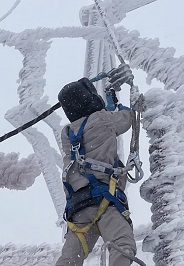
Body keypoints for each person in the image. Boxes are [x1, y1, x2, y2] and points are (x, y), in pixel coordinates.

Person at [55, 64, 138, 266]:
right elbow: (126, 119)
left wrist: (107, 110)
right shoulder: (102, 119)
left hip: (79, 207)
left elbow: (97, 126)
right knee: (122, 243)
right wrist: (116, 102)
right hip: (105, 199)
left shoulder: (67, 134)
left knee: (70, 259)